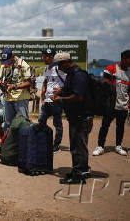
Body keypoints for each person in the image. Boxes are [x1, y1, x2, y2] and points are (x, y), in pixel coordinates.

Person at [51, 52, 91, 184]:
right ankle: (82, 170)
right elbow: (72, 90)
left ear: (66, 62)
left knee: (78, 146)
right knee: (78, 145)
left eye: (59, 65)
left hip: (81, 117)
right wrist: (61, 91)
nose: (59, 68)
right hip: (76, 116)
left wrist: (60, 99)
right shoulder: (71, 74)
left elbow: (78, 97)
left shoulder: (79, 75)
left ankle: (78, 176)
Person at [93, 49, 130, 156]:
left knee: (120, 126)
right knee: (105, 125)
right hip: (110, 105)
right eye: (129, 60)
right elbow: (104, 87)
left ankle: (118, 146)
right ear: (123, 59)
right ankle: (100, 146)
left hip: (123, 106)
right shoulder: (111, 69)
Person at [0, 48, 32, 132]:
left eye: (8, 61)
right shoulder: (4, 65)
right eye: (5, 62)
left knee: (23, 123)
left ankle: (24, 144)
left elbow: (28, 83)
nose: (7, 64)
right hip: (8, 98)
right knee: (7, 124)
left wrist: (14, 86)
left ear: (13, 57)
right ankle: (8, 144)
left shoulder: (23, 64)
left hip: (21, 98)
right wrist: (1, 83)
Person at [39, 48, 66, 153]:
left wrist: (61, 90)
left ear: (51, 57)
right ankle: (44, 141)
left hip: (57, 101)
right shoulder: (46, 68)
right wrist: (43, 92)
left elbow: (69, 82)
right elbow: (46, 81)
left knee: (57, 123)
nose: (43, 58)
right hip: (47, 101)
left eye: (45, 56)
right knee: (41, 121)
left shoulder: (59, 69)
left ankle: (57, 145)